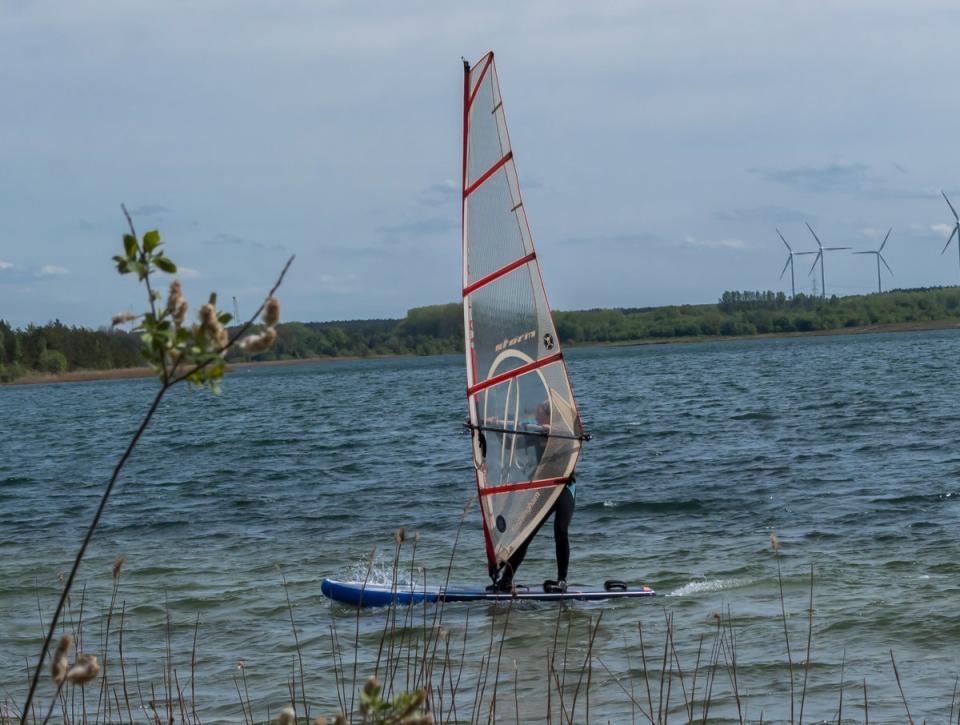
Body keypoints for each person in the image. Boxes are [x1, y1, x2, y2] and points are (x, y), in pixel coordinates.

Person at [487, 400, 576, 593]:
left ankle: (562, 580)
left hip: (564, 489)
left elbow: (573, 437)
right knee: (525, 533)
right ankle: (506, 580)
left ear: (548, 416)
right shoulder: (537, 435)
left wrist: (552, 429)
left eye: (538, 415)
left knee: (561, 530)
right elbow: (511, 444)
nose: (536, 418)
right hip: (543, 490)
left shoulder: (563, 432)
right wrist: (495, 427)